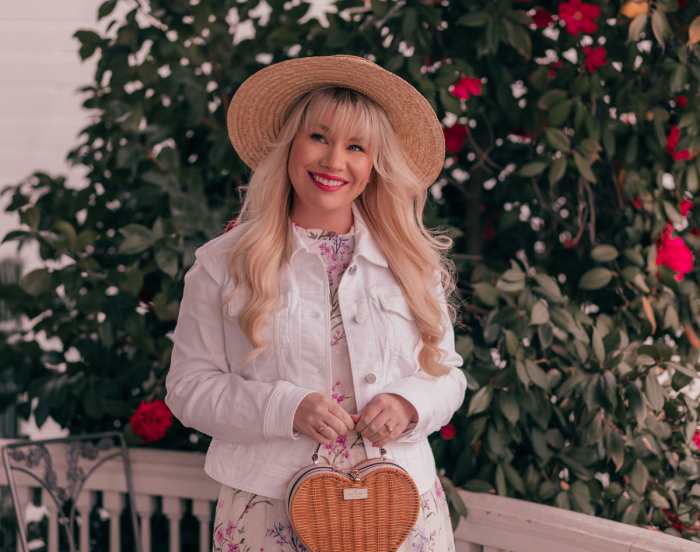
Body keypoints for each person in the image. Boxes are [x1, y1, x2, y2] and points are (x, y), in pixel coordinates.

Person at [165, 55, 467, 552]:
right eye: (319, 137)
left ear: (374, 167)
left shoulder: (412, 262)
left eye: (356, 146)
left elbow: (448, 373)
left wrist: (410, 404)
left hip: (401, 507)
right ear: (289, 146)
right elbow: (188, 388)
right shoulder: (222, 264)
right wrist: (284, 406)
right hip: (268, 510)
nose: (334, 161)